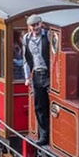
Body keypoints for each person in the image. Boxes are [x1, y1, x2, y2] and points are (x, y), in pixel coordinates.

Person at [23, 14, 50, 145]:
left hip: (49, 74)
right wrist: (27, 77)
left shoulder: (48, 36)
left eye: (37, 25)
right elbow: (26, 59)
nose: (35, 28)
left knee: (52, 105)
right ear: (29, 27)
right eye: (32, 26)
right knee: (39, 106)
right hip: (37, 75)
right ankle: (44, 136)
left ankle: (53, 135)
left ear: (41, 24)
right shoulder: (27, 39)